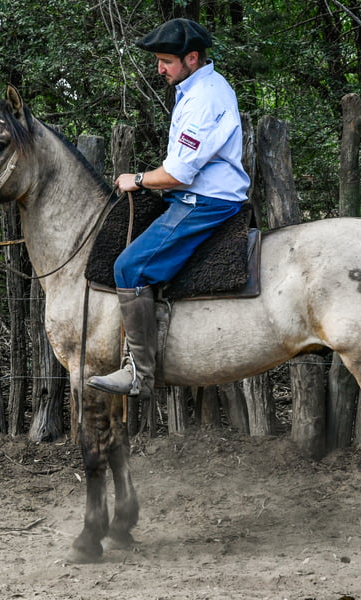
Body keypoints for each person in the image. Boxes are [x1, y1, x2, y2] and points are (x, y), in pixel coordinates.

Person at [87, 18, 250, 398]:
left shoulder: (204, 98)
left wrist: (138, 179)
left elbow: (177, 173)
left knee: (129, 266)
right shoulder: (198, 87)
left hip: (206, 201)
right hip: (198, 194)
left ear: (191, 57)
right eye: (159, 61)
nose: (160, 68)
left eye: (166, 61)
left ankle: (139, 376)